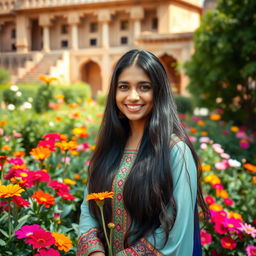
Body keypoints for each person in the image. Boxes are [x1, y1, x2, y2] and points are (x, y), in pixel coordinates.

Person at [77, 49, 208, 256]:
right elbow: (89, 205)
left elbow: (174, 231)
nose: (133, 96)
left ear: (158, 92)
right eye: (124, 87)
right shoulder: (110, 146)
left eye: (144, 87)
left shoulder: (175, 151)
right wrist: (95, 252)